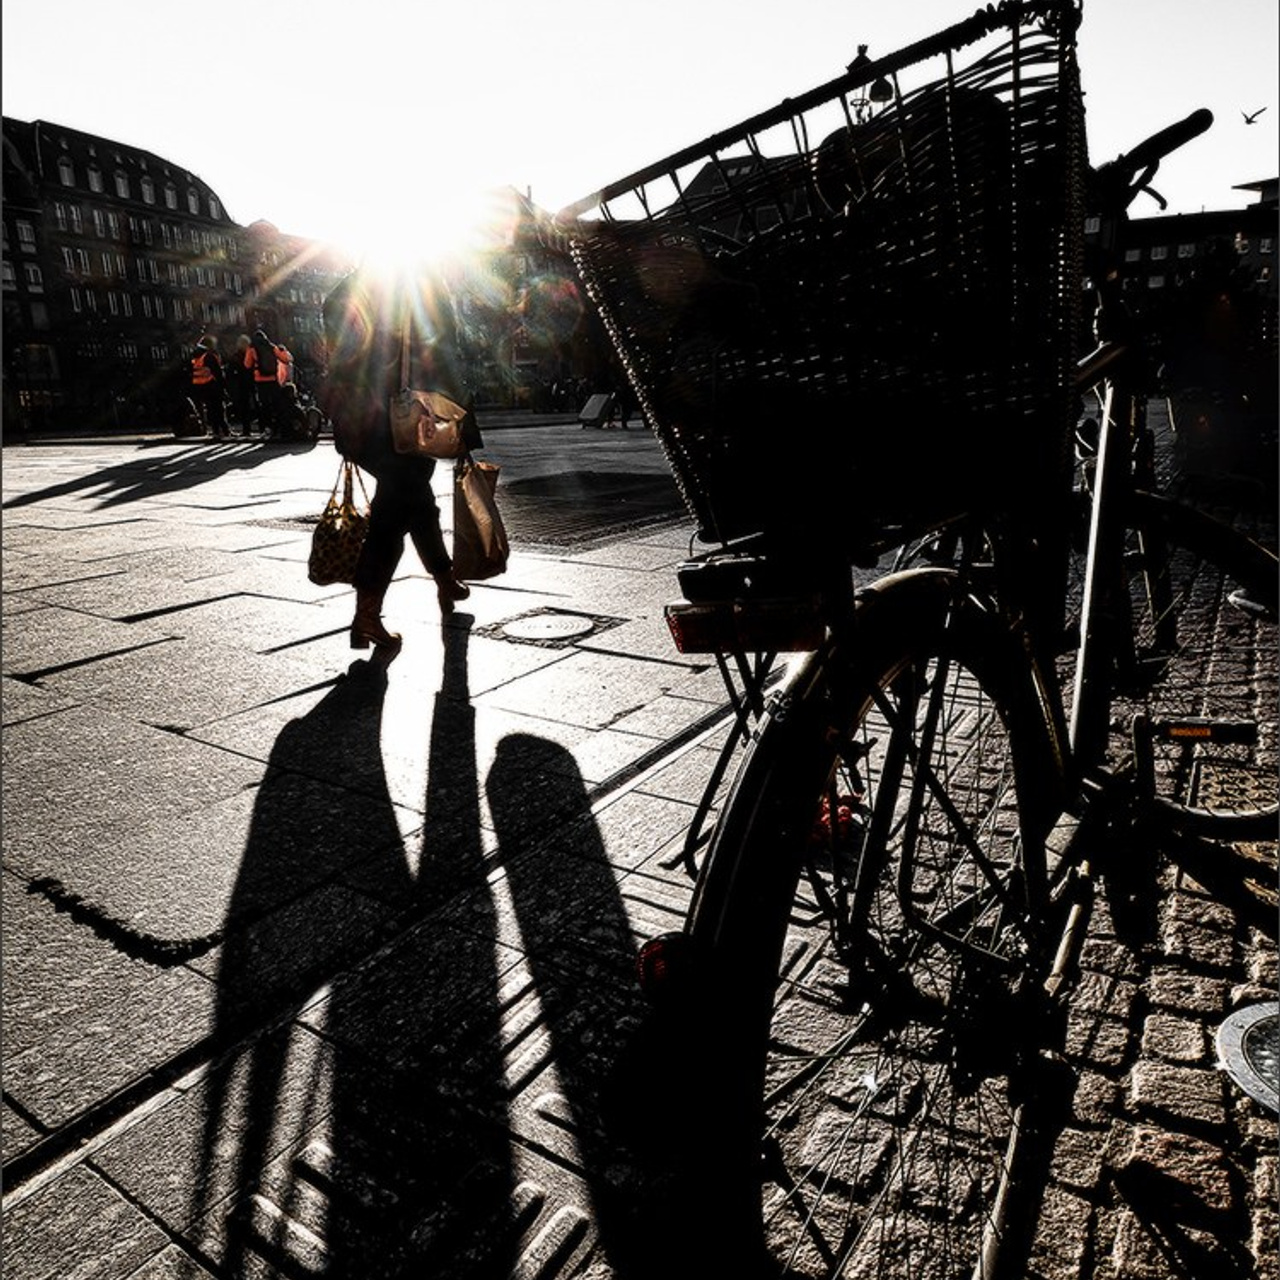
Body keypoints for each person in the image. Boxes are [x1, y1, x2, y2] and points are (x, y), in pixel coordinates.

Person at [318, 270, 478, 654]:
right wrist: (464, 422)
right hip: (404, 422)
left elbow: (339, 350)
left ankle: (443, 579)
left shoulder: (347, 288)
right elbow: (442, 352)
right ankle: (367, 615)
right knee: (393, 518)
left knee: (417, 503)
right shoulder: (416, 286)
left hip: (360, 423)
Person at [244, 328, 289, 441]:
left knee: (264, 406)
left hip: (260, 381)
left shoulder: (252, 348)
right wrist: (282, 350)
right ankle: (280, 428)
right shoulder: (272, 346)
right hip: (273, 379)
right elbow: (286, 359)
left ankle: (267, 429)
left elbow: (247, 365)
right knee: (277, 404)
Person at [189, 335, 228, 439]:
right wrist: (224, 386)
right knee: (218, 409)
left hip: (199, 387)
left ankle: (214, 430)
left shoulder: (195, 356)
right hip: (212, 385)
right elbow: (217, 373)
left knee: (209, 409)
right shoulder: (209, 356)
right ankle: (224, 430)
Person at [226, 333, 255, 435]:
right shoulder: (251, 354)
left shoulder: (235, 356)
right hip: (251, 383)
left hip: (239, 385)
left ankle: (246, 430)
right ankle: (261, 428)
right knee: (254, 405)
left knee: (243, 408)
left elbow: (229, 372)